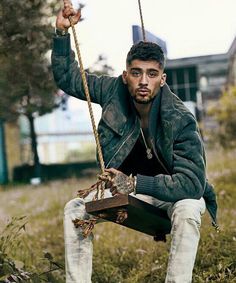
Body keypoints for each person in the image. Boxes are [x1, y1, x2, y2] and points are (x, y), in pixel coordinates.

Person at [51, 1, 218, 282]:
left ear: (162, 79)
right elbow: (69, 78)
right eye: (137, 73)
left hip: (172, 196)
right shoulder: (112, 89)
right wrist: (61, 34)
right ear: (126, 75)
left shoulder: (181, 119)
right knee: (75, 209)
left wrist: (135, 183)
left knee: (189, 208)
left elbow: (192, 185)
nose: (143, 81)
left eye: (152, 74)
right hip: (130, 194)